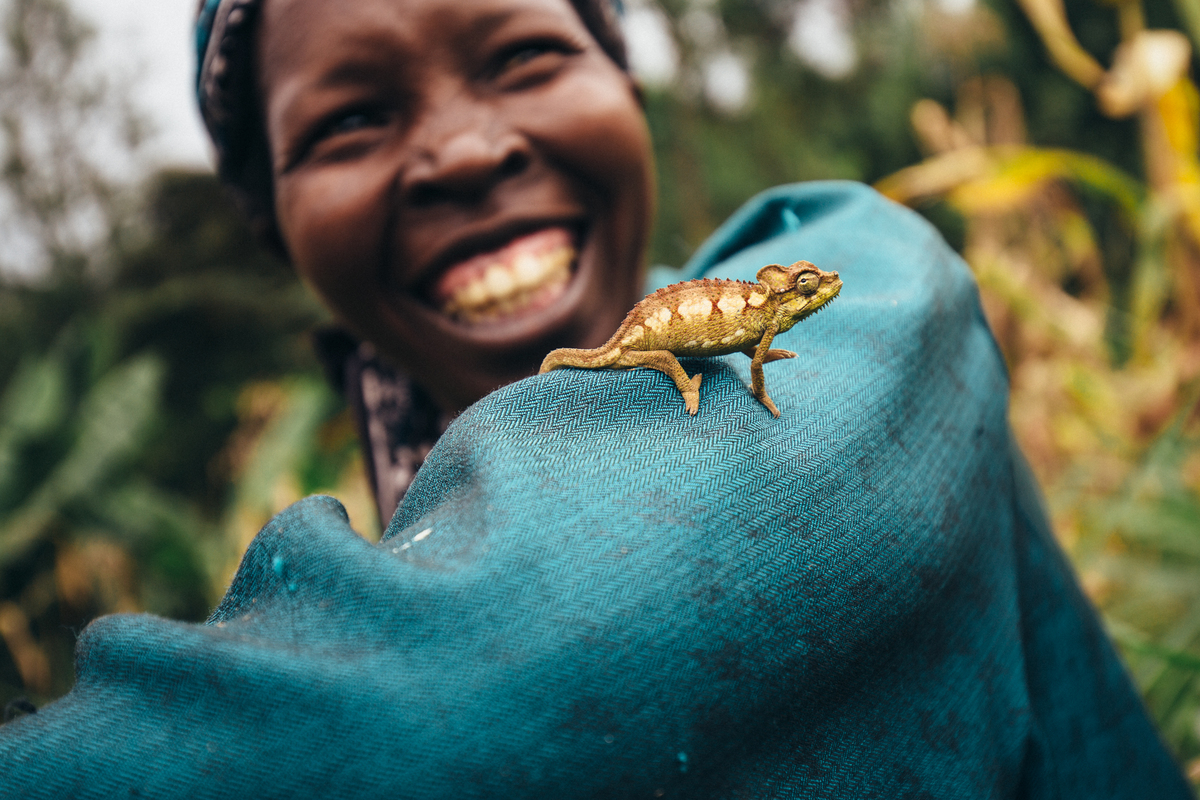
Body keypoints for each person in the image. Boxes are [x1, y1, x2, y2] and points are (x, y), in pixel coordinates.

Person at [0, 0, 1191, 796]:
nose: (465, 152)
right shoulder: (408, 508)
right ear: (275, 218)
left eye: (524, 53)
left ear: (624, 80)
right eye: (351, 119)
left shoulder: (873, 292)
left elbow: (441, 699)